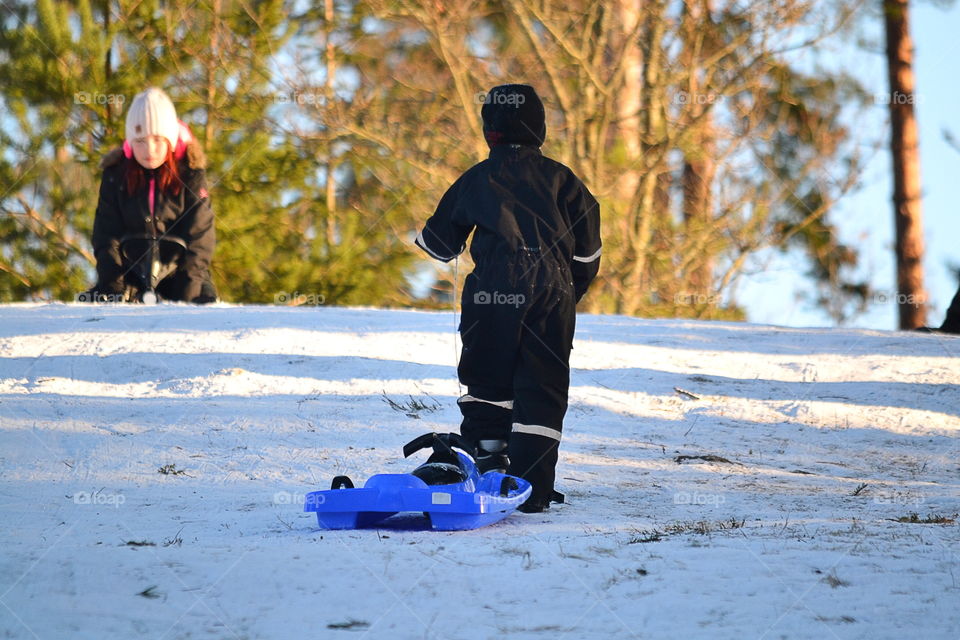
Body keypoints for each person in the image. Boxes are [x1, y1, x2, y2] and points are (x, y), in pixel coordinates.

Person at [415, 84, 601, 512]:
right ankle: (532, 488)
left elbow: (438, 245)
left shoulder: (477, 178)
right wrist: (568, 292)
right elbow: (588, 254)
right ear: (540, 129)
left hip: (492, 293)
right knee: (543, 388)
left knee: (487, 376)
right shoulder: (564, 180)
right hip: (554, 293)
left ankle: (489, 462)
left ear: (489, 131)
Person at [89, 87, 216, 303]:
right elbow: (106, 234)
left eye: (157, 140)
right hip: (129, 275)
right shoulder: (116, 175)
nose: (149, 150)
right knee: (99, 304)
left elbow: (200, 236)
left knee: (202, 303)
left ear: (170, 140)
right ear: (130, 142)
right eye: (140, 141)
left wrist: (187, 294)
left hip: (181, 275)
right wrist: (113, 288)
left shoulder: (190, 174)